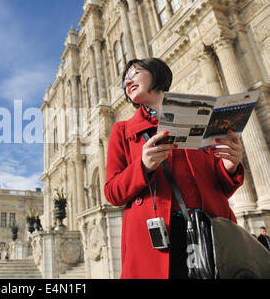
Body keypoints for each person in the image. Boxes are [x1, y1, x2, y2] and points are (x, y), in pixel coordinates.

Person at [104, 58, 244, 279]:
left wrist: (230, 166)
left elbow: (220, 189)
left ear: (157, 74)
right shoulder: (122, 131)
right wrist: (143, 167)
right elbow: (112, 193)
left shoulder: (202, 118)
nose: (127, 81)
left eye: (134, 73)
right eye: (124, 79)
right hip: (158, 239)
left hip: (211, 232)